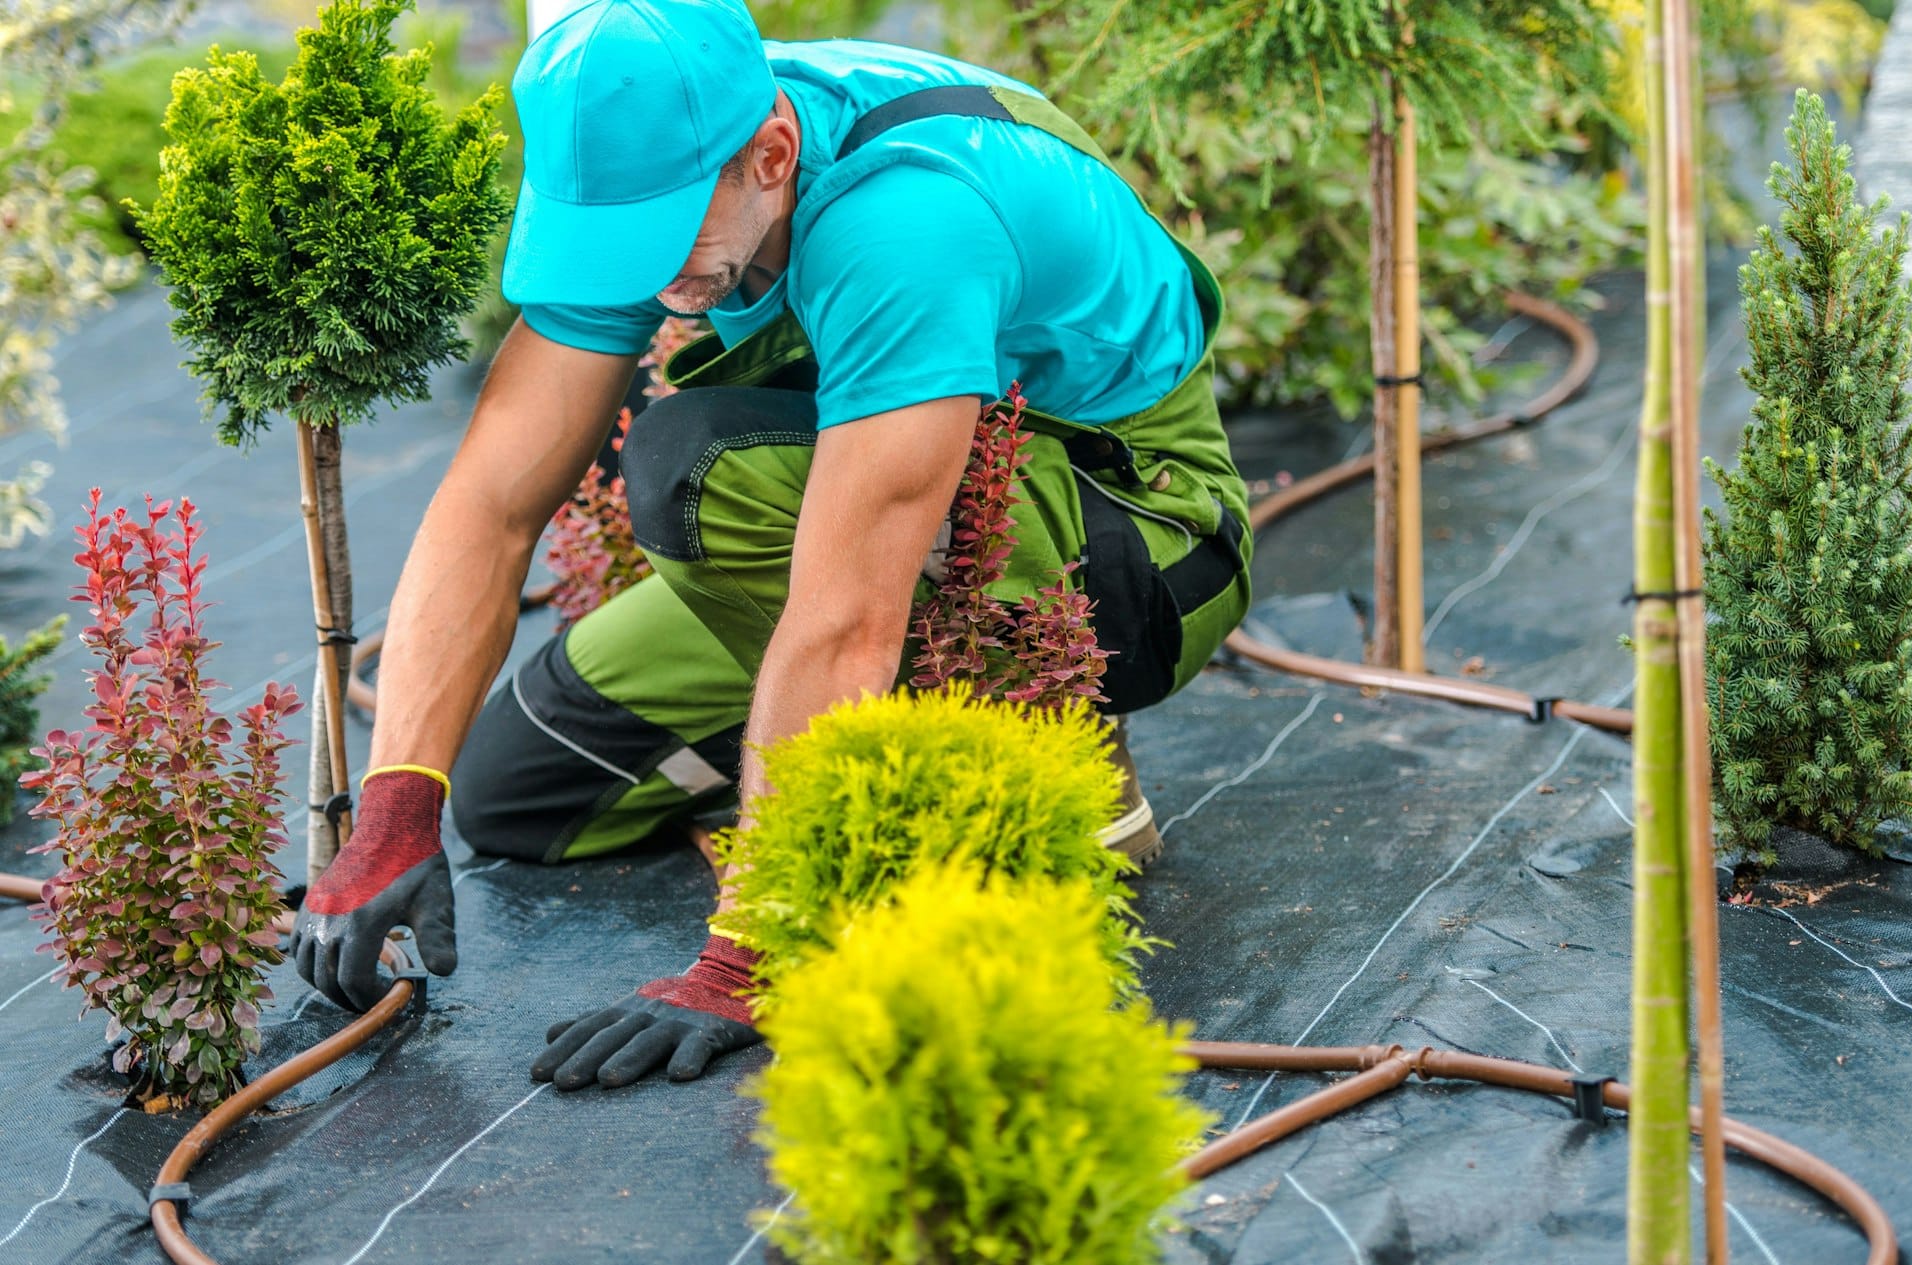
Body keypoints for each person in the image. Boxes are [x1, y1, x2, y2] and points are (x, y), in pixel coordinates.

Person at [290, 0, 1253, 1090]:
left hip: (1127, 541)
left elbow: (847, 616)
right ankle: (820, 757)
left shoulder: (906, 220)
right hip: (881, 502)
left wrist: (755, 945)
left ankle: (1049, 747)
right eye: (620, 243)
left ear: (772, 154)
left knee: (691, 470)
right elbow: (491, 503)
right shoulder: (650, 153)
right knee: (517, 793)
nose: (652, 283)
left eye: (667, 239)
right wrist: (394, 808)